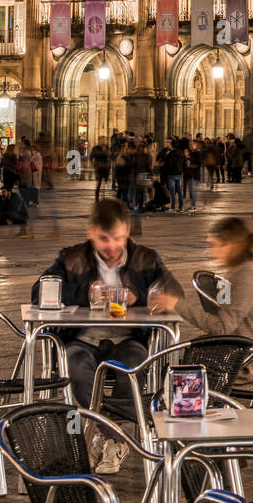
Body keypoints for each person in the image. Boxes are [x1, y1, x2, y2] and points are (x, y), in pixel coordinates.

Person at [31, 198, 182, 470]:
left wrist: (142, 297)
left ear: (127, 232)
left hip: (127, 340)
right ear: (91, 233)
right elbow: (39, 291)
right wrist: (83, 294)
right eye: (103, 239)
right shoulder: (71, 258)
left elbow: (173, 290)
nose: (111, 246)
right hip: (83, 339)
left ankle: (101, 439)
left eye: (118, 238)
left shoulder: (146, 258)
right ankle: (110, 439)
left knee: (134, 365)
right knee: (75, 366)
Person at [150, 217, 253, 393]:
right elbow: (223, 318)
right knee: (178, 372)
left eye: (214, 245)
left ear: (230, 245)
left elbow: (222, 328)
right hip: (248, 358)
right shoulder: (240, 271)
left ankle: (189, 416)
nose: (210, 252)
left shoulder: (248, 274)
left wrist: (177, 304)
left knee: (177, 378)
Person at [91, 138, 111, 202]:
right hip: (98, 168)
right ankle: (97, 198)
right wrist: (103, 152)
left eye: (104, 141)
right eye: (101, 141)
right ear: (99, 142)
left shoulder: (107, 148)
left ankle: (103, 196)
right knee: (99, 183)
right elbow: (92, 155)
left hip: (106, 168)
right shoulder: (95, 148)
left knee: (105, 182)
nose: (103, 142)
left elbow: (110, 155)